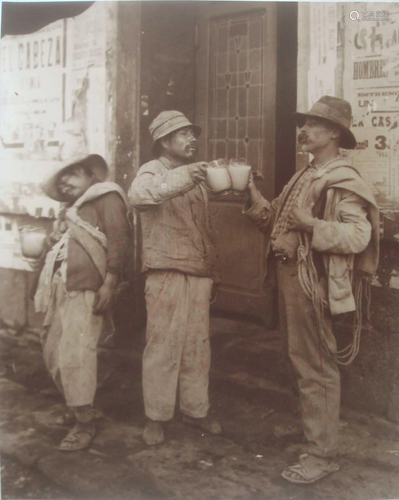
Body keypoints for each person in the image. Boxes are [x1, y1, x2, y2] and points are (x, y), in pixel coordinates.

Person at [243, 96, 379, 484]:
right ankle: (313, 435)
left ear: (334, 132)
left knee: (316, 367)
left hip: (314, 281)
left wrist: (311, 226)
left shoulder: (342, 179)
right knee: (301, 361)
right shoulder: (307, 174)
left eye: (314, 124)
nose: (303, 130)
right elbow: (276, 221)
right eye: (303, 123)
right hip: (290, 278)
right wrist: (251, 196)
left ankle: (322, 455)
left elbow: (359, 235)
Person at [128, 110, 221, 446]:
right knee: (163, 347)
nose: (191, 139)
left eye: (192, 133)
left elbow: (203, 228)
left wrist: (213, 269)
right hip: (166, 271)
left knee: (197, 347)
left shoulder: (194, 178)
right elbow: (139, 195)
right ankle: (156, 416)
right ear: (164, 142)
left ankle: (195, 410)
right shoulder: (152, 171)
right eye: (182, 134)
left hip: (197, 271)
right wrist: (187, 174)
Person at [33, 154, 130, 451]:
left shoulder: (107, 196)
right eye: (62, 182)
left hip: (87, 288)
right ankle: (79, 405)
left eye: (72, 175)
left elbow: (118, 240)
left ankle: (84, 423)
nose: (66, 183)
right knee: (53, 350)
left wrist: (110, 282)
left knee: (76, 355)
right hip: (61, 288)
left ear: (90, 175)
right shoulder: (69, 212)